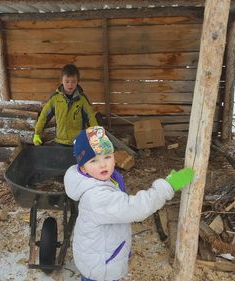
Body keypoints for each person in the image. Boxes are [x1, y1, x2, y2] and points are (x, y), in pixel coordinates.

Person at [64, 126, 194, 281]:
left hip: (99, 254)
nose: (103, 165)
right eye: (94, 160)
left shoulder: (99, 180)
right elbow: (134, 208)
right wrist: (168, 186)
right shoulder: (96, 196)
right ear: (83, 168)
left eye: (107, 156)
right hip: (102, 266)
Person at [33, 64, 98, 146]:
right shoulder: (55, 99)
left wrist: (97, 135)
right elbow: (44, 116)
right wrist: (37, 133)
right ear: (61, 81)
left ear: (78, 81)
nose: (70, 85)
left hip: (78, 142)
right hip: (60, 142)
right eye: (67, 81)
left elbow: (90, 118)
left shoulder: (82, 100)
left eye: (73, 82)